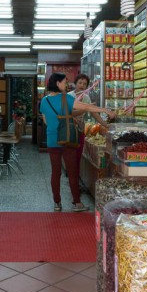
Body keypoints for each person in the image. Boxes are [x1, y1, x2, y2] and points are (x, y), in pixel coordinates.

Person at [39, 72, 106, 211]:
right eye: (64, 82)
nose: (66, 84)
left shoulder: (44, 101)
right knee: (72, 171)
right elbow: (87, 107)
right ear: (58, 83)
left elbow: (45, 120)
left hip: (52, 140)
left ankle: (57, 203)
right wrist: (105, 110)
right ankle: (77, 203)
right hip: (67, 140)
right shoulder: (66, 98)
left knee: (55, 172)